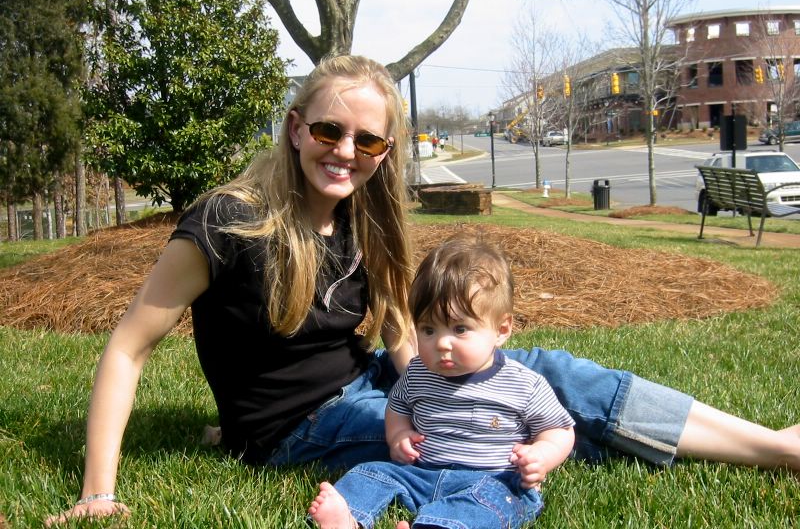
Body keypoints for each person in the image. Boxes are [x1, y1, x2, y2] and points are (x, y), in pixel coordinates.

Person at [46, 54, 800, 525]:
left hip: (378, 384)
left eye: (367, 140)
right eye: (329, 131)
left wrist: (442, 390)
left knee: (549, 376)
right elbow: (128, 348)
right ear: (295, 128)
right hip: (300, 428)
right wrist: (98, 492)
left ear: (385, 150)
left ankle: (772, 446)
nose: (345, 151)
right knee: (487, 439)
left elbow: (401, 336)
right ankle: (658, 448)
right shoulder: (228, 221)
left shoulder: (365, 220)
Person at [308, 236, 575, 529]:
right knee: (372, 473)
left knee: (487, 504)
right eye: (428, 329)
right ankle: (348, 518)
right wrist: (399, 436)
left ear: (501, 329)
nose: (442, 343)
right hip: (423, 474)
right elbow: (397, 407)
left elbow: (559, 430)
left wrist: (541, 455)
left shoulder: (523, 384)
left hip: (494, 480)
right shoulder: (417, 373)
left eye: (460, 329)